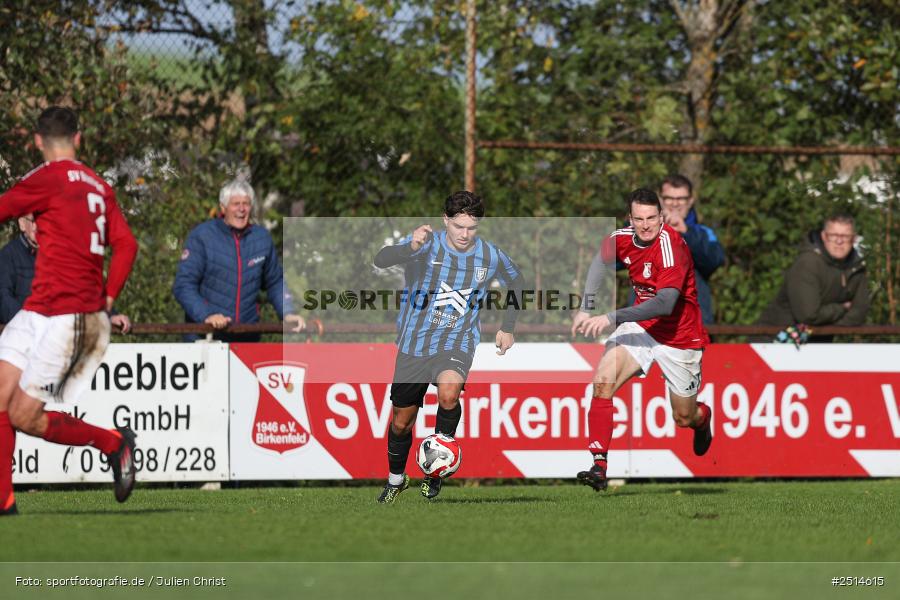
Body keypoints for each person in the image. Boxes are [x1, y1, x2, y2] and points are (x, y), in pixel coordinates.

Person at [0, 106, 139, 515]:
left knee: (24, 417)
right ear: (78, 139)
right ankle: (4, 500)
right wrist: (109, 296)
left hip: (72, 320)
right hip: (40, 310)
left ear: (37, 142)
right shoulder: (99, 185)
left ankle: (115, 444)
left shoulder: (46, 179)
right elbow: (127, 245)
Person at [373, 190, 524, 503]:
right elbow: (381, 259)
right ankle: (396, 480)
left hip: (458, 339)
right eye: (458, 227)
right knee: (401, 422)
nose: (465, 234)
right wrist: (411, 246)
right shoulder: (425, 243)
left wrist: (508, 327)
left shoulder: (489, 254)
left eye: (471, 227)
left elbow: (518, 281)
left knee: (448, 393)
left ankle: (436, 471)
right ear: (446, 221)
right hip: (414, 343)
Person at [571, 188, 712, 492]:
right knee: (602, 382)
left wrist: (609, 317)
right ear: (630, 218)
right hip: (641, 328)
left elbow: (665, 304)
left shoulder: (671, 246)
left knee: (683, 416)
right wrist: (585, 308)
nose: (646, 225)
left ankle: (702, 419)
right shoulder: (620, 238)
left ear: (662, 218)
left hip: (679, 336)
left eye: (652, 218)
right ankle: (599, 466)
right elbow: (599, 264)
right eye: (639, 219)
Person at [173, 179, 305, 342]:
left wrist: (287, 313)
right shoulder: (202, 236)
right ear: (223, 207)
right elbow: (183, 285)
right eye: (235, 204)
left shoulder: (261, 238)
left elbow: (275, 282)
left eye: (246, 204)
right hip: (205, 338)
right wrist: (206, 315)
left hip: (247, 337)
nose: (241, 209)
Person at [0, 214, 132, 333]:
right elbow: (3, 299)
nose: (38, 225)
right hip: (21, 343)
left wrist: (110, 315)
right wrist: (31, 323)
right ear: (22, 224)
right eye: (33, 220)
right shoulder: (7, 256)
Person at [757, 214, 869, 342]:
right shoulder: (808, 263)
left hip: (817, 344)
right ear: (824, 236)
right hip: (775, 342)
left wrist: (828, 324)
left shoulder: (857, 267)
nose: (839, 241)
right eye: (833, 235)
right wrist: (842, 308)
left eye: (845, 236)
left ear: (854, 238)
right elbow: (809, 316)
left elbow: (859, 313)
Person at [658, 174, 724, 325]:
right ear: (660, 200)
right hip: (647, 327)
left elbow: (714, 261)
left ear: (690, 201)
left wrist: (686, 234)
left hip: (692, 326)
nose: (675, 204)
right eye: (669, 198)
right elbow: (613, 261)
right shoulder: (642, 231)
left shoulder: (703, 233)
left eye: (681, 198)